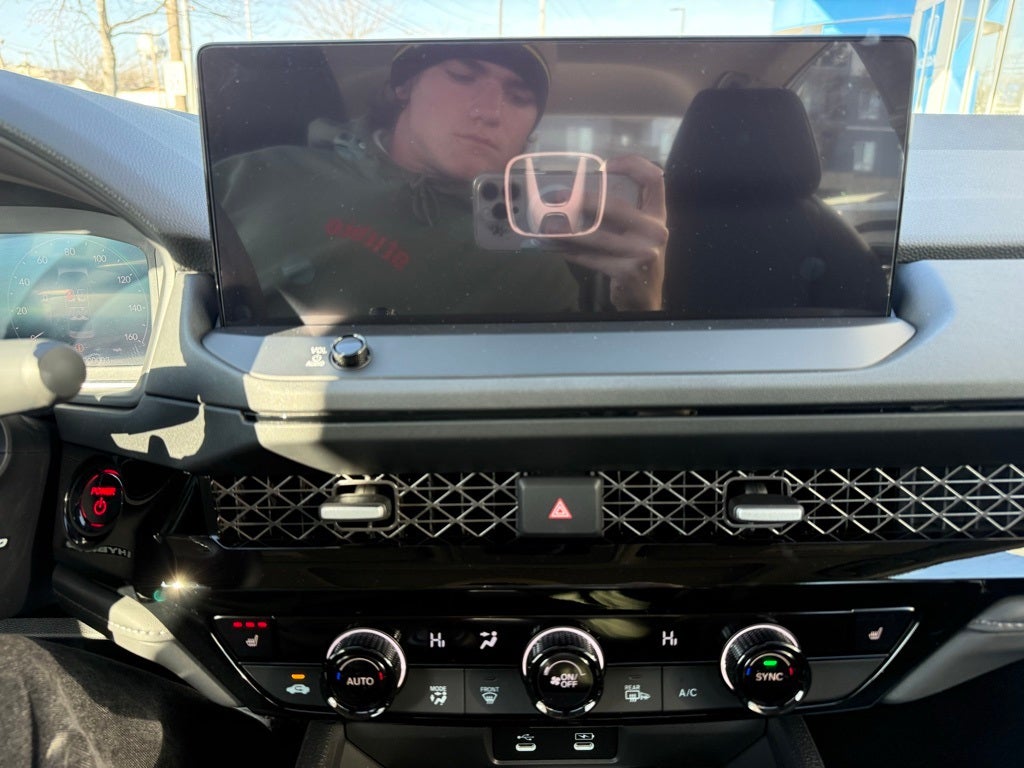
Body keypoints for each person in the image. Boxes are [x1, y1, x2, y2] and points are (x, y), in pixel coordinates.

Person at [213, 42, 667, 321]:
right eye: (463, 76)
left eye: (519, 96)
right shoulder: (251, 177)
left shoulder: (540, 263)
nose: (489, 111)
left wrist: (640, 311)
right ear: (404, 87)